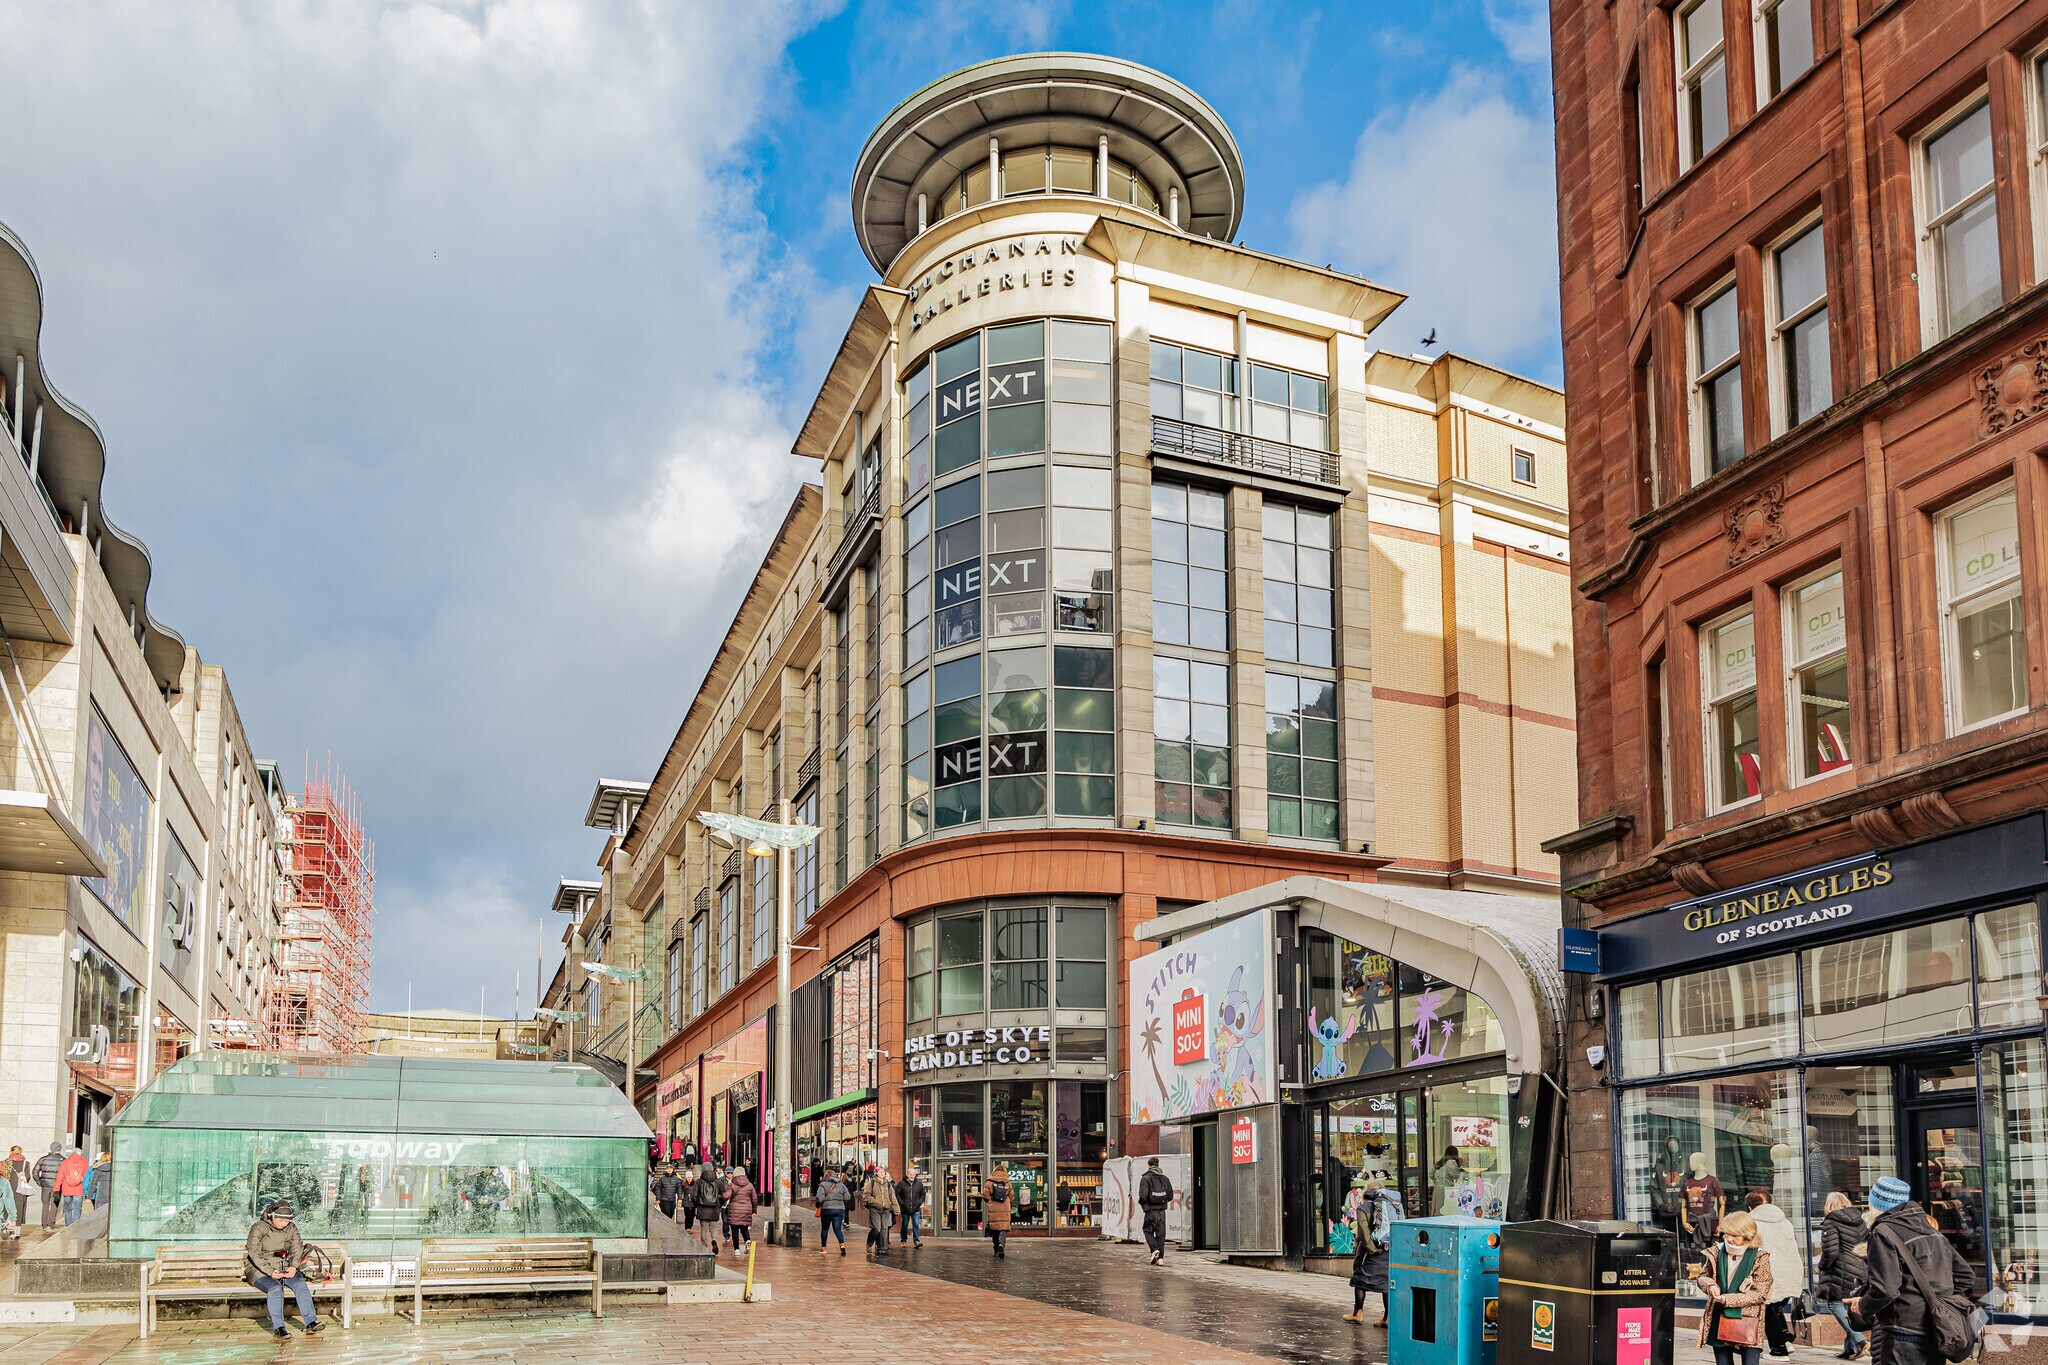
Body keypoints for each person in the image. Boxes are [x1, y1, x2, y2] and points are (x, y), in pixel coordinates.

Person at [1850, 1175, 1977, 1365]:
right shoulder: (1930, 1231)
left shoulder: (1882, 1232)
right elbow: (1965, 1276)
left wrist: (1862, 1305)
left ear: (1874, 1204)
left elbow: (1885, 1289)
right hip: (1937, 1327)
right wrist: (1931, 1297)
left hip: (1903, 1329)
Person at [1695, 1208, 1774, 1365]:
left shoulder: (1760, 1256)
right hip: (1719, 1315)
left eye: (1735, 1235)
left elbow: (1760, 1293)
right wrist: (1710, 1285)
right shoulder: (1717, 1252)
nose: (1729, 1239)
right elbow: (1703, 1276)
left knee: (1750, 1362)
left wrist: (1728, 1299)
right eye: (1727, 1234)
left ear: (1747, 1235)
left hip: (1749, 1318)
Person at [244, 1202, 324, 1340]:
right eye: (280, 1220)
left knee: (300, 1284)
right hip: (259, 1270)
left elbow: (297, 1248)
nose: (283, 1223)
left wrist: (293, 1266)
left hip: (284, 1266)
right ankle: (279, 1328)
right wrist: (270, 1271)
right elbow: (254, 1252)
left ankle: (311, 1322)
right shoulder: (258, 1227)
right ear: (271, 1216)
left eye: (286, 1220)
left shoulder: (292, 1228)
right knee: (275, 1288)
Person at [1745, 1191, 1805, 1358]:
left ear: (1750, 1207)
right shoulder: (1785, 1221)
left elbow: (1751, 1249)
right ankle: (1784, 1338)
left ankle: (1779, 1350)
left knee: (1768, 1309)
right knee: (1774, 1306)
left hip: (1770, 1272)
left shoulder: (1753, 1223)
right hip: (1790, 1269)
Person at [1815, 1190, 1870, 1362]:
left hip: (1839, 1268)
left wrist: (1821, 1266)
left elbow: (1830, 1251)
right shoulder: (1860, 1221)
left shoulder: (1831, 1222)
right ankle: (1849, 1348)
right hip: (1859, 1267)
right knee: (1847, 1305)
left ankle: (1859, 1339)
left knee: (1834, 1304)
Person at [1346, 1176, 1404, 1327]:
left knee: (1359, 1279)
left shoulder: (1363, 1208)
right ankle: (1387, 1317)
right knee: (1386, 1282)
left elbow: (1364, 1234)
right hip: (1388, 1248)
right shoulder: (1391, 1206)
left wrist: (1371, 1249)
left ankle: (1357, 1313)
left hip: (1369, 1252)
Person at [1138, 1157, 1174, 1265]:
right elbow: (1170, 1195)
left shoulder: (1145, 1178)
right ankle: (1160, 1259)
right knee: (1161, 1234)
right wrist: (1162, 1203)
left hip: (1150, 1211)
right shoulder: (1165, 1178)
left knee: (1147, 1230)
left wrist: (1144, 1205)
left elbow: (1143, 1196)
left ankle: (1154, 1250)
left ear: (1148, 1165)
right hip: (1162, 1211)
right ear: (1158, 1165)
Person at [862, 1163, 899, 1255]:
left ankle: (882, 1247)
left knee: (884, 1229)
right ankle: (869, 1243)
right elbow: (866, 1196)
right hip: (875, 1208)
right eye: (880, 1172)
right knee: (877, 1228)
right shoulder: (872, 1183)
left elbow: (892, 1197)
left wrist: (896, 1208)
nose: (883, 1174)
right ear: (876, 1173)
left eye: (883, 1172)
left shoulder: (888, 1184)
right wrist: (875, 1201)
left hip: (886, 1209)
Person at [815, 1166, 851, 1256]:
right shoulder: (841, 1184)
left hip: (826, 1209)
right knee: (837, 1229)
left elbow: (820, 1198)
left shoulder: (823, 1185)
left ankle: (823, 1248)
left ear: (826, 1176)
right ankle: (842, 1245)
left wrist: (819, 1204)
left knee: (825, 1229)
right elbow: (847, 1197)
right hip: (839, 1210)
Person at [724, 1167, 757, 1251]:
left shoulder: (732, 1185)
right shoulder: (749, 1185)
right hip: (746, 1210)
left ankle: (737, 1249)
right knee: (744, 1228)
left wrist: (720, 1200)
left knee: (734, 1230)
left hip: (734, 1210)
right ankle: (747, 1240)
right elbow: (754, 1199)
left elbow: (726, 1196)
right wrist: (754, 1210)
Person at [984, 1167, 1012, 1259]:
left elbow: (985, 1195)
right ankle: (1001, 1245)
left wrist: (990, 1200)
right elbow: (1011, 1195)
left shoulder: (990, 1181)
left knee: (995, 1229)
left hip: (994, 1206)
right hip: (1005, 1206)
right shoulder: (1007, 1182)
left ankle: (996, 1247)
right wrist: (1008, 1202)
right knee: (1004, 1227)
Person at [32, 1143, 62, 1229]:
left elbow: (35, 1172)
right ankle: (51, 1224)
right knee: (54, 1203)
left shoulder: (43, 1159)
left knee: (45, 1204)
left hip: (45, 1184)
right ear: (60, 1149)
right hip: (57, 1185)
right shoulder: (63, 1160)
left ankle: (44, 1224)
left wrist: (38, 1181)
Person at [55, 1147, 88, 1225]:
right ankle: (75, 1225)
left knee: (67, 1208)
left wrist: (56, 1189)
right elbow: (86, 1177)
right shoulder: (84, 1162)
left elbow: (59, 1177)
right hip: (78, 1189)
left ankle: (68, 1225)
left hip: (67, 1189)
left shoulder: (65, 1162)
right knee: (77, 1208)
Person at [896, 1167, 927, 1248]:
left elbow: (923, 1195)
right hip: (905, 1209)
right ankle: (903, 1240)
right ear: (907, 1174)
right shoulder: (901, 1183)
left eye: (913, 1174)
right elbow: (897, 1194)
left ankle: (916, 1241)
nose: (912, 1176)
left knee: (916, 1224)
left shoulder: (919, 1184)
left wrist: (919, 1203)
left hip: (915, 1208)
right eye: (911, 1174)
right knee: (905, 1225)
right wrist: (902, 1203)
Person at [1, 1145, 28, 1234]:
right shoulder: (25, 1163)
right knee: (18, 1209)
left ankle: (5, 1228)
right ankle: (16, 1232)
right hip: (20, 1188)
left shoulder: (5, 1162)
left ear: (11, 1151)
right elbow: (28, 1176)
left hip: (8, 1186)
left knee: (6, 1206)